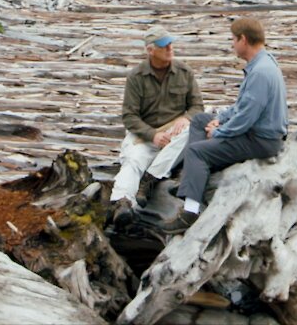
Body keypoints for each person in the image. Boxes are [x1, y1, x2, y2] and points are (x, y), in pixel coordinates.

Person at [158, 17, 287, 233]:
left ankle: (191, 210)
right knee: (200, 120)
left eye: (234, 40)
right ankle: (195, 176)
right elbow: (241, 106)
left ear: (243, 40)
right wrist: (221, 118)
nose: (232, 44)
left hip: (262, 141)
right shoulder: (262, 64)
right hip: (256, 133)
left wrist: (220, 131)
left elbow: (247, 116)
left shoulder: (261, 73)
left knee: (197, 152)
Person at [109, 25, 204, 228]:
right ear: (150, 50)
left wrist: (186, 118)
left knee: (190, 132)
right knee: (133, 160)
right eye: (163, 45)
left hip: (175, 136)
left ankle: (151, 178)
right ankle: (122, 202)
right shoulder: (136, 77)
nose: (170, 48)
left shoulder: (185, 73)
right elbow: (129, 116)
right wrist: (152, 135)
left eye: (170, 44)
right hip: (144, 135)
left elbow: (197, 107)